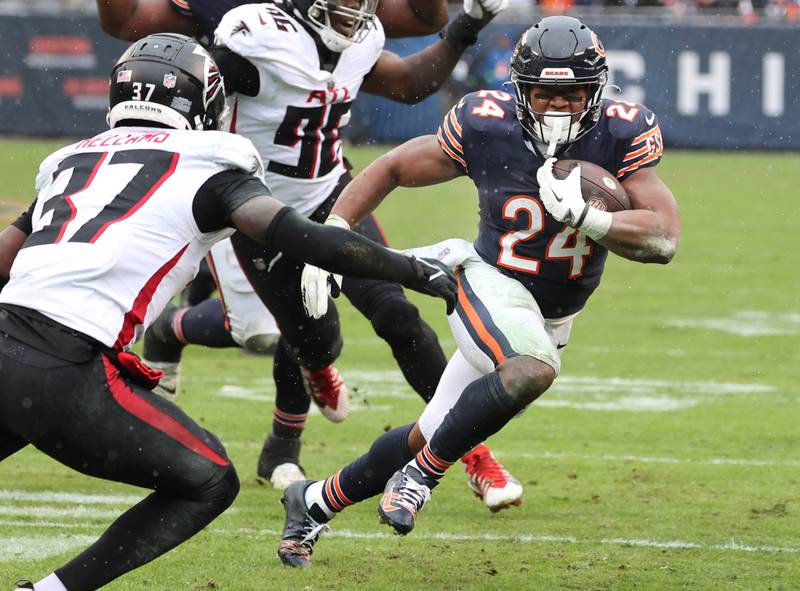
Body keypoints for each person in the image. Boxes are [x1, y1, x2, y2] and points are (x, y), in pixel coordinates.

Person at [2, 33, 458, 591]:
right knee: (210, 480)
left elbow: (5, 258)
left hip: (9, 338)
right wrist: (412, 271)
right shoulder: (213, 164)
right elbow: (299, 236)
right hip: (66, 365)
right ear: (205, 102)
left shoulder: (74, 161)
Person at [276, 15, 681, 566]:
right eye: (544, 94)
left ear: (596, 90)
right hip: (489, 283)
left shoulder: (620, 132)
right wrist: (333, 239)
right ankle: (420, 480)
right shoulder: (488, 123)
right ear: (520, 90)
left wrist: (593, 219)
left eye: (572, 95)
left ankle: (314, 501)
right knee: (532, 369)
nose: (558, 108)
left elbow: (663, 238)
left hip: (549, 314)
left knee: (432, 430)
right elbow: (392, 167)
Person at [98, 0, 525, 513]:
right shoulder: (254, 34)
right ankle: (316, 367)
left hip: (331, 197)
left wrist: (468, 23)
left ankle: (473, 453)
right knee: (313, 341)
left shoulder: (361, 37)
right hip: (256, 210)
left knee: (399, 317)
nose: (356, 11)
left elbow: (410, 83)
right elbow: (189, 85)